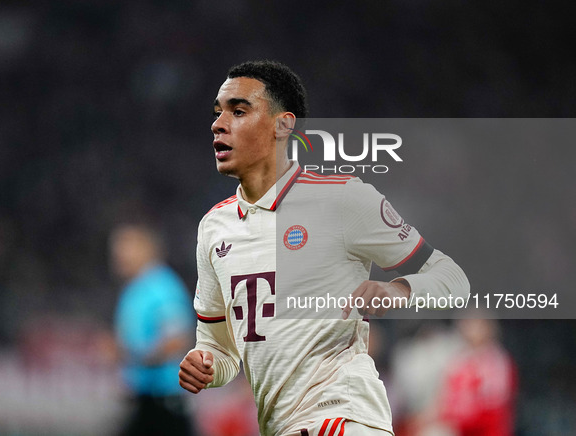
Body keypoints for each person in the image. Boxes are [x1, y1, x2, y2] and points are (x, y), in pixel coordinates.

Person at [178, 60, 470, 436]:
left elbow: (453, 279)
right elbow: (221, 349)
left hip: (345, 419)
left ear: (284, 125)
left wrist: (397, 289)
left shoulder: (342, 199)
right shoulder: (214, 228)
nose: (218, 123)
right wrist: (205, 363)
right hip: (282, 426)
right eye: (218, 113)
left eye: (238, 111)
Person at [110, 223, 196, 436]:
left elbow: (177, 341)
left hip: (163, 402)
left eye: (125, 246)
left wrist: (134, 356)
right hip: (145, 401)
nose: (117, 254)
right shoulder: (135, 288)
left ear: (146, 249)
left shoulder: (162, 287)